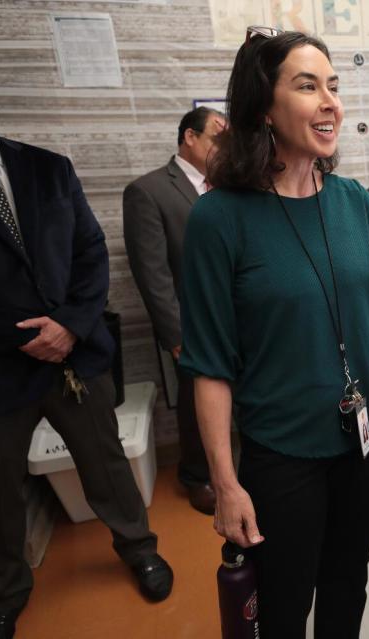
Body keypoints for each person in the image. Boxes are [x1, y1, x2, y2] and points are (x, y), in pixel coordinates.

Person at [178, 29, 369, 638]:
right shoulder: (219, 217)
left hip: (367, 445)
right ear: (264, 106)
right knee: (285, 602)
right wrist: (226, 482)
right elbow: (208, 363)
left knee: (349, 581)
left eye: (334, 86)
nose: (330, 102)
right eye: (307, 86)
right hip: (284, 456)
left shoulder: (348, 200)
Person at [0, 45, 172, 639]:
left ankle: (139, 548)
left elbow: (90, 253)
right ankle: (5, 594)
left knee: (107, 465)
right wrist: (22, 337)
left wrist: (69, 324)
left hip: (73, 355)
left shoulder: (47, 167)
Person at [123, 106, 226, 515]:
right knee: (196, 400)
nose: (225, 147)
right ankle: (198, 476)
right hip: (193, 322)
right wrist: (177, 336)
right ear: (189, 137)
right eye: (217, 136)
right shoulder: (148, 190)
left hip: (242, 316)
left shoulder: (230, 188)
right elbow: (152, 272)